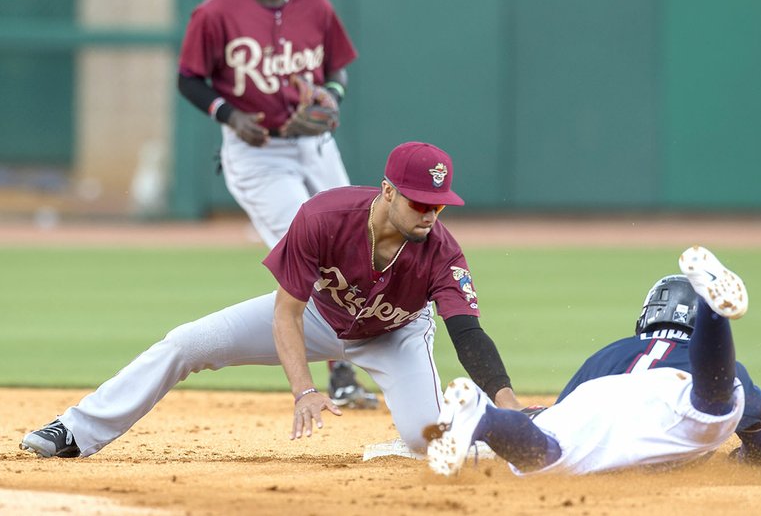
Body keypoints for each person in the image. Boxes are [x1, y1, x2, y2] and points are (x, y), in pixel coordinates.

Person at [20, 141, 524, 459]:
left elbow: (468, 333)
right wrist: (304, 390)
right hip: (318, 320)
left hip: (396, 336)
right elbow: (287, 309)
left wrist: (508, 401)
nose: (431, 214)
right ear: (388, 192)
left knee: (426, 440)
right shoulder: (325, 217)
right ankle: (76, 430)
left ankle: (503, 422)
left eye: (439, 204)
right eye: (420, 201)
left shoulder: (442, 251)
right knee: (188, 343)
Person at [176, 0, 372, 408]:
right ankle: (341, 372)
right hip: (257, 152)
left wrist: (332, 96)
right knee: (307, 248)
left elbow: (337, 71)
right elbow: (189, 79)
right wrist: (229, 115)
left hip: (314, 145)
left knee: (356, 238)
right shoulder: (215, 13)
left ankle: (366, 354)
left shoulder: (316, 6)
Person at [427, 246, 761, 476]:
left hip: (599, 398)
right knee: (713, 405)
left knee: (548, 453)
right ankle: (712, 311)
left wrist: (524, 418)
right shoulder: (711, 363)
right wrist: (738, 460)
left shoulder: (611, 352)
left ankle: (481, 415)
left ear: (648, 315)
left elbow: (555, 419)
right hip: (677, 395)